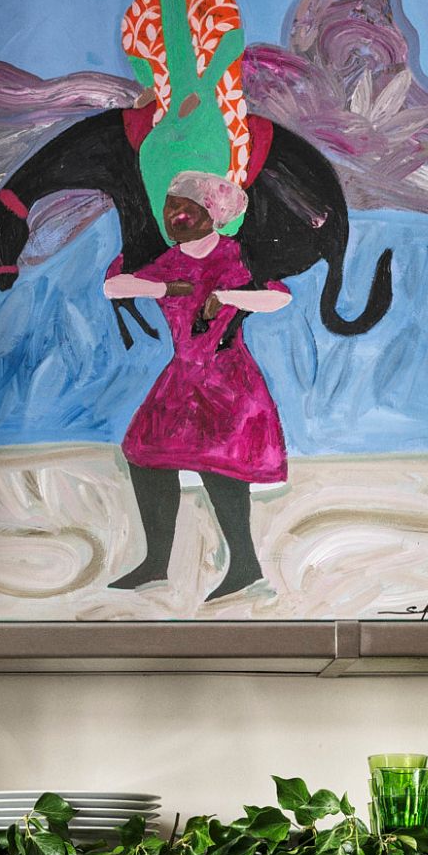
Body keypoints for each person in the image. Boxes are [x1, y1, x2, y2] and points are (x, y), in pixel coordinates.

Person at [104, 170, 290, 602]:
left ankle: (244, 564)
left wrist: (225, 297)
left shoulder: (235, 255)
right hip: (184, 376)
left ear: (213, 214)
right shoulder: (171, 261)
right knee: (145, 453)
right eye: (170, 206)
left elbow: (279, 296)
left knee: (217, 465)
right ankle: (155, 563)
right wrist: (166, 286)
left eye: (186, 208)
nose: (174, 216)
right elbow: (113, 286)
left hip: (228, 379)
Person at [99, 0, 250, 237]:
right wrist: (150, 87)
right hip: (171, 107)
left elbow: (232, 37)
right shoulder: (144, 2)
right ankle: (173, 242)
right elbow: (135, 49)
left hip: (211, 99)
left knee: (202, 160)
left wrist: (203, 87)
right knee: (152, 151)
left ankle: (217, 238)